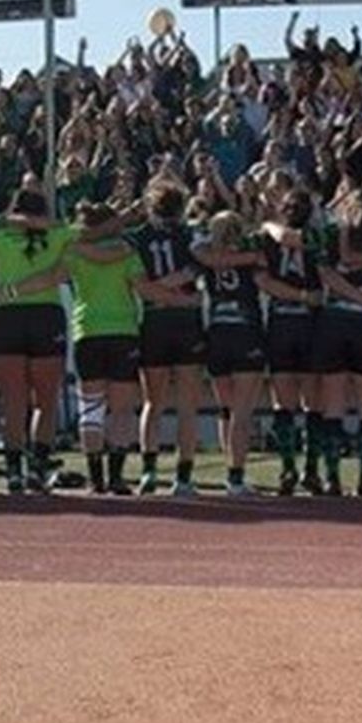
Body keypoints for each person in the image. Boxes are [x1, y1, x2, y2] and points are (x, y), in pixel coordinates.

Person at [4, 201, 149, 495]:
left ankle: (96, 477)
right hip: (123, 330)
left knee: (90, 408)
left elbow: (47, 278)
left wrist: (11, 289)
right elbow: (143, 288)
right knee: (121, 409)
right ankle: (117, 476)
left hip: (88, 331)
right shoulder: (126, 252)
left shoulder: (73, 253)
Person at [0, 189, 77, 493]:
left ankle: (13, 471)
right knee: (46, 402)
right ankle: (37, 467)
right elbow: (81, 234)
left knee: (14, 400)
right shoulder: (59, 233)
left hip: (6, 317)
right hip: (46, 315)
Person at [129, 183, 207, 496]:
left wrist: (159, 290)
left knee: (153, 402)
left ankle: (149, 472)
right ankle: (183, 477)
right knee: (188, 404)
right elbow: (197, 267)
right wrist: (178, 294)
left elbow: (140, 283)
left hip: (154, 319)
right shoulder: (189, 234)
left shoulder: (138, 236)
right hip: (184, 320)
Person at [315, 189, 362, 497]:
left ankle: (332, 477)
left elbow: (328, 272)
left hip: (334, 321)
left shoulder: (333, 234)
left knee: (333, 402)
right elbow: (361, 262)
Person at [196, 210, 270, 497]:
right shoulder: (250, 255)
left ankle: (232, 471)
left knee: (225, 409)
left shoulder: (206, 256)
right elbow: (264, 282)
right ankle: (236, 475)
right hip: (245, 330)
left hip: (216, 331)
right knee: (241, 410)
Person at [260, 189, 327, 496]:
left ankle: (292, 468)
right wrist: (304, 295)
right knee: (311, 400)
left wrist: (269, 225)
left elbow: (264, 280)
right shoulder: (318, 237)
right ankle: (307, 469)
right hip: (308, 322)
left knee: (285, 399)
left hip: (284, 321)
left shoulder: (271, 237)